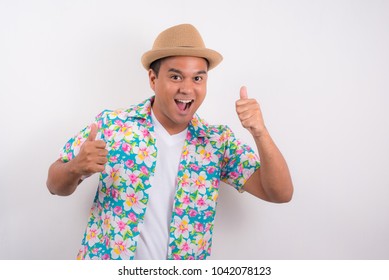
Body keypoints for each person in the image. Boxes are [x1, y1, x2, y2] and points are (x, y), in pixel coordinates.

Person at [46, 23, 293, 260]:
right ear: (153, 79)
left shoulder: (218, 142)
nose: (187, 89)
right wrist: (75, 168)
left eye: (198, 78)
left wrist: (260, 132)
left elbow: (280, 193)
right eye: (176, 77)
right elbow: (54, 184)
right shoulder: (113, 126)